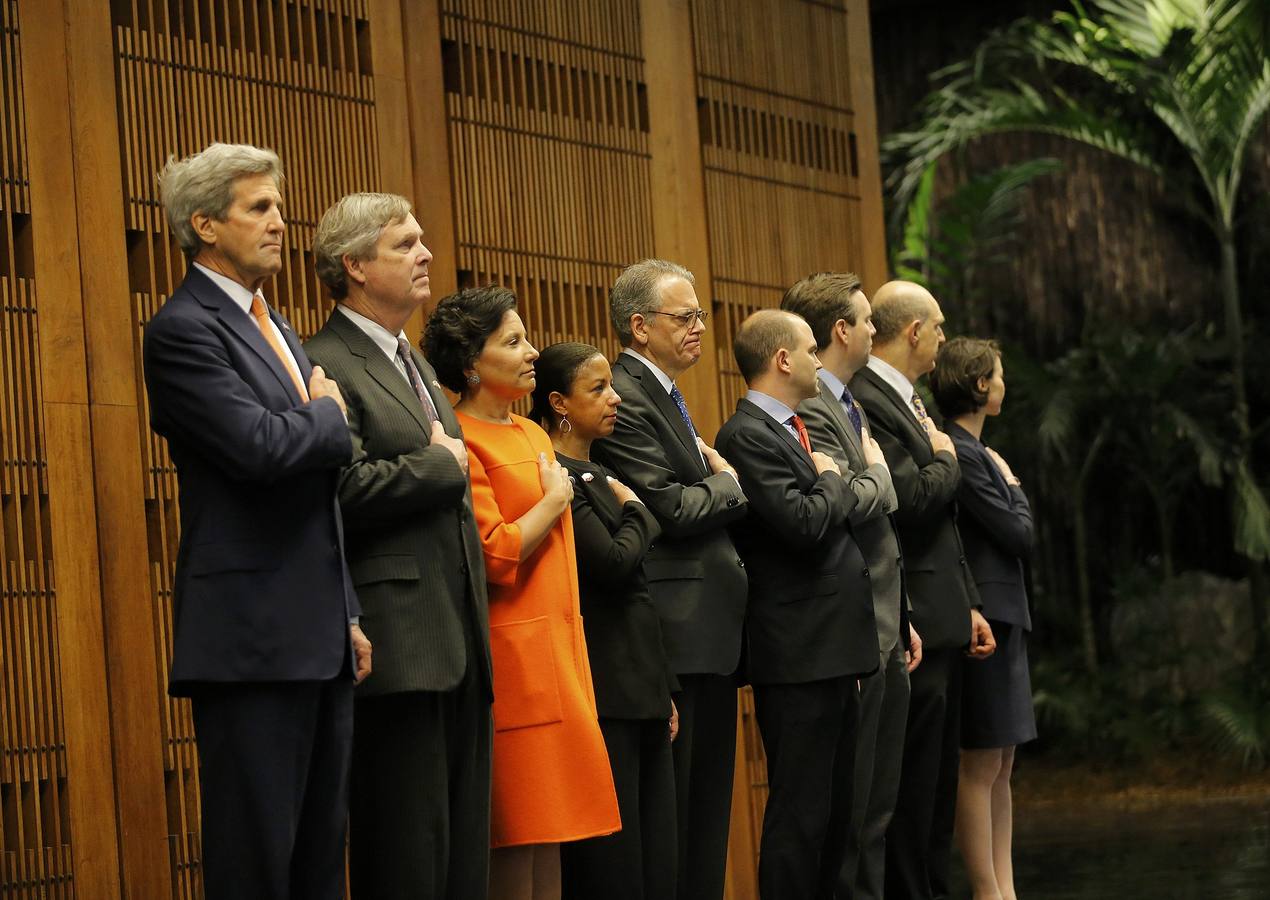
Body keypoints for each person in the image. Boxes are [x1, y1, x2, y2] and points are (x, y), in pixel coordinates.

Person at [142, 142, 371, 900]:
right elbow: (260, 447)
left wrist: (347, 612)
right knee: (257, 864)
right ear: (204, 224)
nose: (280, 222)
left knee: (317, 863)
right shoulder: (183, 329)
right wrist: (331, 417)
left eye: (278, 206)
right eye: (259, 208)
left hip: (317, 637)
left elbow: (311, 489)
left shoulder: (274, 323)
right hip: (250, 638)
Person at [304, 193, 493, 900]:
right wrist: (441, 466)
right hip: (399, 644)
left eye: (422, 240)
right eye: (404, 244)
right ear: (353, 265)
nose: (425, 255)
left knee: (461, 867)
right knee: (408, 861)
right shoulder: (324, 360)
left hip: (463, 641)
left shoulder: (412, 362)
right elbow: (339, 488)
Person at [423, 286, 619, 900]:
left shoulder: (533, 435)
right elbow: (493, 552)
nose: (531, 351)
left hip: (562, 653)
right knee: (515, 843)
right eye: (511, 342)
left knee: (554, 839)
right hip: (511, 665)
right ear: (470, 362)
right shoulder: (463, 436)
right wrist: (557, 499)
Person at [592, 259, 748, 900]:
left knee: (707, 820)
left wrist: (711, 483)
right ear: (639, 325)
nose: (698, 329)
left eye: (699, 316)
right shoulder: (623, 397)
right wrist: (728, 481)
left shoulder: (667, 393)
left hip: (709, 634)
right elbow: (669, 510)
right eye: (683, 317)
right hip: (672, 636)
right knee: (677, 824)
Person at [714, 310, 878, 900]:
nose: (817, 359)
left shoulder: (791, 428)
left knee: (836, 815)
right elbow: (804, 523)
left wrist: (823, 482)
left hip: (831, 646)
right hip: (799, 649)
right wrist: (832, 478)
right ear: (783, 359)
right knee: (800, 816)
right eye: (810, 349)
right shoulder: (747, 434)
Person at [849, 280, 995, 900]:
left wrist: (968, 602)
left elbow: (945, 522)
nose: (941, 336)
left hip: (944, 607)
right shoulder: (868, 398)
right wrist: (950, 463)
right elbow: (909, 500)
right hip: (910, 615)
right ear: (913, 332)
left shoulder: (912, 400)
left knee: (937, 785)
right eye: (937, 326)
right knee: (910, 791)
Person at [781, 272, 921, 900]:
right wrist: (872, 475)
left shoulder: (851, 402)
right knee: (852, 803)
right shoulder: (813, 406)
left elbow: (877, 499)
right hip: (854, 621)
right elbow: (863, 502)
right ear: (841, 330)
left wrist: (905, 612)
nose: (874, 330)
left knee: (879, 802)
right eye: (866, 320)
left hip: (888, 617)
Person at [530, 341, 679, 900]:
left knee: (659, 857)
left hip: (641, 680)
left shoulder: (599, 470)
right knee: (616, 864)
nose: (614, 398)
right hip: (605, 686)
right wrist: (640, 511)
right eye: (598, 389)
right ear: (559, 403)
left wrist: (664, 687)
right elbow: (614, 564)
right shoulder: (556, 473)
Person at [930, 338, 1036, 900]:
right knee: (980, 761)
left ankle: (1006, 886)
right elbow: (1018, 533)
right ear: (978, 385)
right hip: (985, 613)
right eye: (996, 375)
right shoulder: (966, 453)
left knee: (1003, 763)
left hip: (1006, 610)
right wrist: (1014, 486)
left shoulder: (976, 450)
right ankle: (986, 889)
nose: (1002, 384)